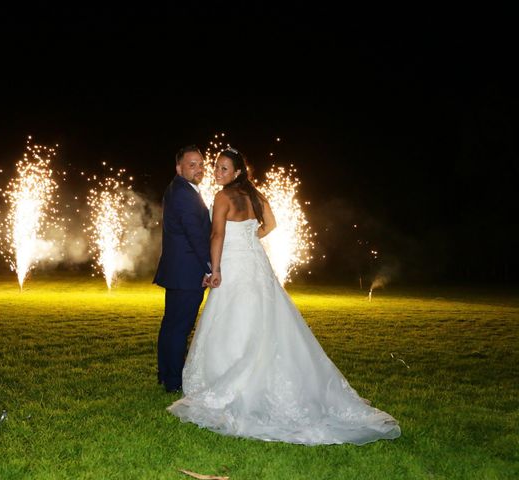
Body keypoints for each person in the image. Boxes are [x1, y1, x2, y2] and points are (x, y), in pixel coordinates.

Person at [168, 147, 401, 445]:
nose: (218, 172)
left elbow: (217, 236)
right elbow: (271, 225)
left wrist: (215, 268)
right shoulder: (255, 196)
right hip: (256, 264)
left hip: (234, 265)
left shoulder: (223, 197)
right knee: (263, 319)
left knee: (233, 318)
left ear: (237, 172)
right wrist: (250, 238)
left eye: (224, 169)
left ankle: (233, 379)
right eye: (217, 167)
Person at [153, 145, 212, 393]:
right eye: (192, 164)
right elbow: (196, 235)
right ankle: (174, 381)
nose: (198, 169)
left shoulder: (180, 189)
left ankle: (167, 374)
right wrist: (210, 266)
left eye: (200, 164)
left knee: (171, 325)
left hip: (178, 271)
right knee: (179, 327)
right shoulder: (184, 194)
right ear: (179, 168)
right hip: (188, 273)